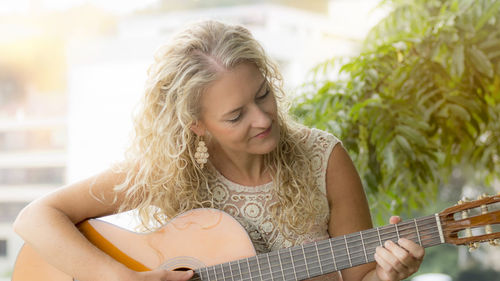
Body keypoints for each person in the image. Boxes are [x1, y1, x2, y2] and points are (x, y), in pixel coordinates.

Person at [14, 20, 424, 281]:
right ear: (197, 125)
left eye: (263, 95)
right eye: (235, 116)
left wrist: (387, 275)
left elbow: (357, 279)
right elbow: (35, 218)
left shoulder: (324, 158)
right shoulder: (169, 167)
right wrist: (120, 277)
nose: (262, 119)